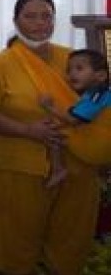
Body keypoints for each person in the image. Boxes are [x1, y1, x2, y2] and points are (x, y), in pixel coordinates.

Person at [0, 0, 111, 275]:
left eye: (47, 16)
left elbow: (99, 103)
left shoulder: (74, 59)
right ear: (16, 20)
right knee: (18, 237)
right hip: (20, 166)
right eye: (31, 16)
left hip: (77, 167)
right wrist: (29, 130)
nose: (40, 24)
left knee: (69, 241)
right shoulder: (2, 63)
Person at [38, 49, 110, 189]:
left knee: (52, 132)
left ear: (101, 76)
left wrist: (49, 107)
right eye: (69, 70)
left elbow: (73, 120)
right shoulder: (93, 95)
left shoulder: (97, 95)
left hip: (98, 146)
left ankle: (58, 169)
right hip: (100, 145)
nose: (72, 74)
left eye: (79, 68)